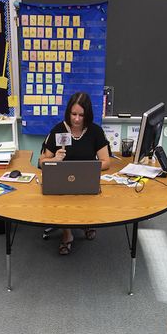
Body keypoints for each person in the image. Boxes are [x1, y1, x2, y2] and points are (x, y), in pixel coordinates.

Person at [39, 92, 111, 255]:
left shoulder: (95, 131)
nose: (77, 119)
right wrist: (54, 160)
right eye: (73, 114)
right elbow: (41, 162)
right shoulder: (58, 130)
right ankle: (67, 234)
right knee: (62, 199)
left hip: (86, 181)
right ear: (68, 113)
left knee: (89, 195)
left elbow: (106, 162)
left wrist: (87, 168)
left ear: (88, 115)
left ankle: (86, 222)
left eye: (81, 115)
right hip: (61, 184)